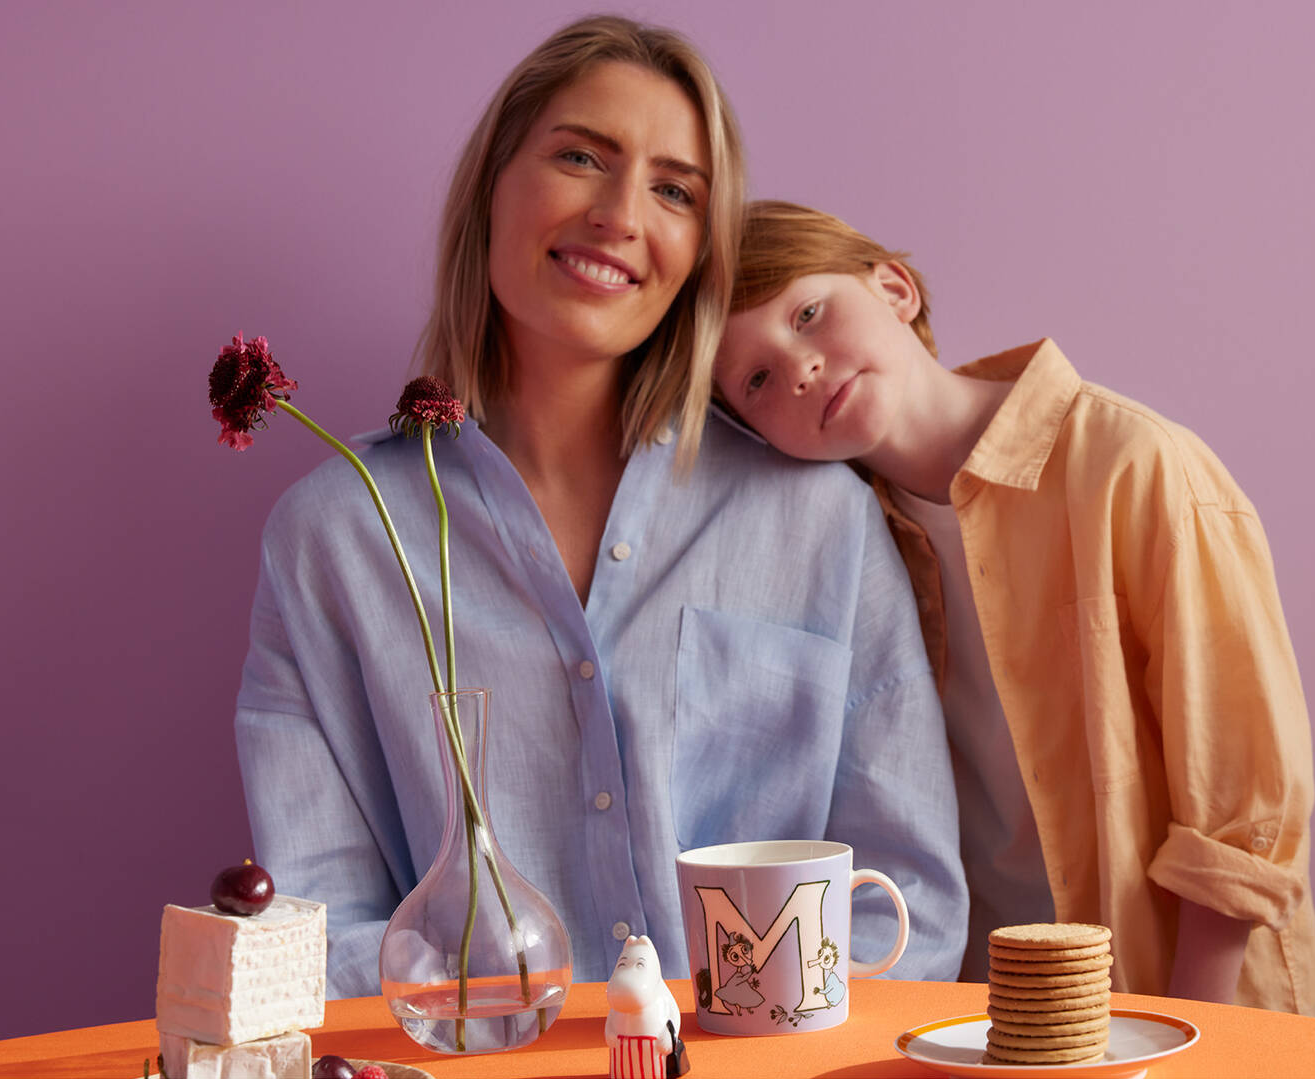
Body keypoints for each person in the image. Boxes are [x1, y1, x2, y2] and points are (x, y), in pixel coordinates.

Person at [233, 21, 967, 998]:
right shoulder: (334, 537)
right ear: (493, 184)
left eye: (673, 191)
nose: (620, 215)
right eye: (581, 157)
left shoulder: (821, 520)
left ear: (698, 251)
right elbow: (314, 938)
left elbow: (906, 911)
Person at [712, 200, 1315, 1016]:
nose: (799, 368)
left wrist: (1190, 1034)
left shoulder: (1131, 466)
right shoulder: (846, 551)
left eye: (809, 313)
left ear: (895, 288)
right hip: (989, 1014)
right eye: (756, 379)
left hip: (1185, 1009)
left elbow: (1244, 807)